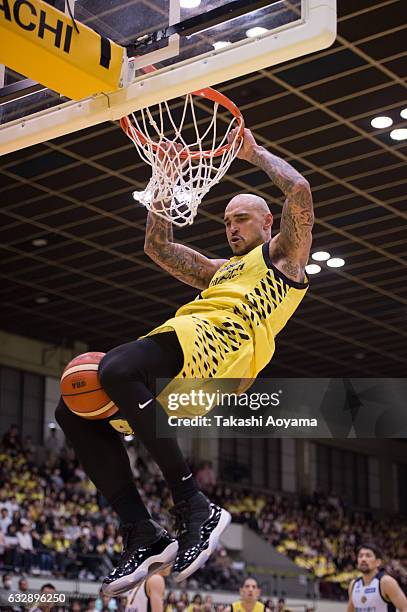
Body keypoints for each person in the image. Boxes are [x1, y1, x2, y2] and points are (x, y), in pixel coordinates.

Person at [55, 128, 313, 596]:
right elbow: (159, 248)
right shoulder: (219, 270)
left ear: (267, 222)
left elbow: (300, 191)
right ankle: (142, 532)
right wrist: (164, 180)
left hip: (220, 345)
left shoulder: (283, 259)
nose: (232, 227)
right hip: (191, 361)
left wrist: (255, 154)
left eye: (241, 219)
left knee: (115, 368)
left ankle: (194, 504)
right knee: (72, 409)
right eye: (227, 222)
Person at [347, 544, 407, 612]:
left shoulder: (386, 582)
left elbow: (404, 608)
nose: (363, 559)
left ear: (378, 562)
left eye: (368, 556)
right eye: (360, 556)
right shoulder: (353, 584)